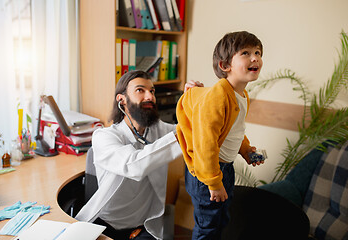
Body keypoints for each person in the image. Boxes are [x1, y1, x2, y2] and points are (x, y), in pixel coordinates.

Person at [75, 70, 202, 240]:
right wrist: (180, 135)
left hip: (142, 227)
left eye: (152, 91)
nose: (149, 96)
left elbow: (192, 131)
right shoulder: (104, 137)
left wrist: (196, 102)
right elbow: (133, 166)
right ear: (122, 100)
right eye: (140, 90)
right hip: (104, 225)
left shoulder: (158, 129)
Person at [175, 31, 265, 239]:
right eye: (246, 53)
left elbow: (234, 130)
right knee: (208, 226)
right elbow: (204, 145)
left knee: (221, 219)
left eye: (258, 52)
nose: (255, 58)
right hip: (208, 172)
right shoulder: (218, 97)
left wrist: (245, 150)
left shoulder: (241, 95)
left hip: (224, 168)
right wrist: (214, 183)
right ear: (225, 65)